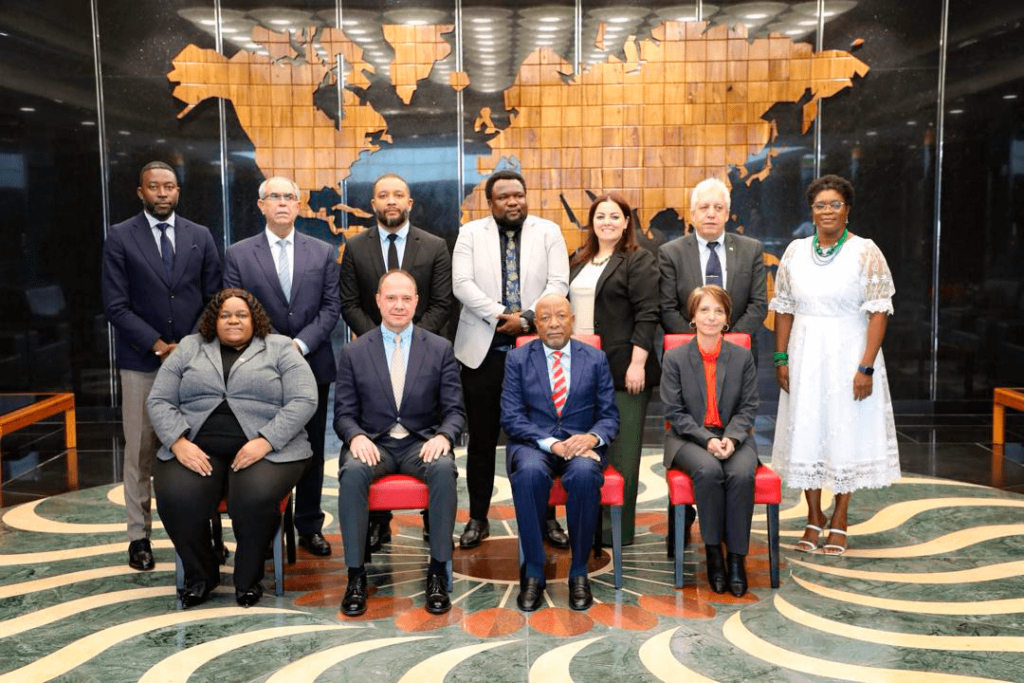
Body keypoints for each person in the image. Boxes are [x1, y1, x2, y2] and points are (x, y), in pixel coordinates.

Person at [147, 289, 317, 607]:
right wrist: (178, 442)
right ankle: (202, 574)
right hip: (196, 446)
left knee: (252, 497)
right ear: (214, 319)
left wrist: (266, 440)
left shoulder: (280, 347)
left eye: (241, 314)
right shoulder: (189, 347)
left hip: (269, 449)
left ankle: (248, 579)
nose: (233, 320)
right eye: (225, 315)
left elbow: (305, 398)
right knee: (176, 497)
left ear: (255, 319)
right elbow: (158, 399)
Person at [771, 174, 900, 556]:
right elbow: (783, 309)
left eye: (835, 204)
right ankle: (813, 515)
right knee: (807, 430)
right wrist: (781, 358)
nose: (827, 211)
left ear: (847, 210)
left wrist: (866, 367)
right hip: (805, 354)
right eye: (820, 205)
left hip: (849, 355)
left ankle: (840, 517)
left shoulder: (866, 251)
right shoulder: (795, 252)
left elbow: (879, 312)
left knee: (845, 434)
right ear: (812, 212)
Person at [102, 161, 222, 572]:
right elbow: (115, 305)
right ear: (141, 192)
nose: (162, 193)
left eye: (169, 187)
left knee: (198, 444)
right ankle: (139, 537)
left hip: (193, 361)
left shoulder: (200, 236)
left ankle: (206, 531)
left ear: (178, 191)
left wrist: (186, 345)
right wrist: (156, 345)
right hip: (141, 362)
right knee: (140, 450)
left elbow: (214, 297)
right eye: (153, 187)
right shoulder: (120, 237)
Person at [334, 270, 465, 617]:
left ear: (417, 302)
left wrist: (443, 436)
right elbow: (343, 414)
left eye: (406, 298)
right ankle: (356, 576)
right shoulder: (354, 351)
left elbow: (455, 411)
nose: (398, 305)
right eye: (391, 297)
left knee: (443, 469)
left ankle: (437, 571)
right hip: (373, 444)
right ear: (377, 301)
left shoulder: (439, 349)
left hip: (419, 444)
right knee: (351, 473)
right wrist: (356, 436)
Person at [452, 169, 570, 550]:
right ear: (490, 203)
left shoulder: (548, 231)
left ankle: (547, 518)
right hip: (482, 352)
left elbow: (558, 283)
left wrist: (528, 319)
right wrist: (502, 314)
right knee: (482, 441)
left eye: (518, 194)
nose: (513, 202)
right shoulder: (471, 233)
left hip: (538, 348)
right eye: (503, 197)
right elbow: (462, 284)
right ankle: (478, 518)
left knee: (544, 437)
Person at [224, 176, 341, 558]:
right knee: (263, 443)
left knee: (310, 447)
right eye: (274, 196)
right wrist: (275, 348)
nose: (282, 203)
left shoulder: (323, 252)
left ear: (298, 205)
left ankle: (308, 525)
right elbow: (236, 308)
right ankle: (264, 523)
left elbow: (330, 308)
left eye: (289, 197)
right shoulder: (239, 254)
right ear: (261, 205)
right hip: (258, 368)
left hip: (312, 363)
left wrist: (299, 344)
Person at [339, 172, 453, 551]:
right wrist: (379, 341)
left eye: (398, 195)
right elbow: (350, 302)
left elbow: (441, 301)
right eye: (383, 195)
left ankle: (432, 527)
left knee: (432, 449)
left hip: (422, 348)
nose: (391, 200)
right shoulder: (355, 247)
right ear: (372, 204)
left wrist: (415, 340)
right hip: (375, 348)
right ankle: (375, 525)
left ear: (410, 203)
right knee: (372, 435)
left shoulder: (435, 245)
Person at [658, 177, 766, 547]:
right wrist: (698, 338)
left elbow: (757, 305)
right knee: (699, 459)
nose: (711, 213)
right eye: (704, 207)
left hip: (733, 364)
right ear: (691, 214)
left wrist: (724, 337)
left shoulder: (750, 249)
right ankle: (686, 521)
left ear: (728, 212)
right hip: (687, 363)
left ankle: (729, 551)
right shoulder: (672, 252)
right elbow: (667, 307)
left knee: (735, 469)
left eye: (718, 207)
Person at [501, 294, 619, 611]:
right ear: (535, 324)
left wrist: (593, 438)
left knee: (583, 475)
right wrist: (550, 443)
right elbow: (511, 418)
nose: (554, 323)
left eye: (561, 316)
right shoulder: (517, 360)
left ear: (572, 319)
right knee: (528, 473)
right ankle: (534, 575)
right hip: (534, 445)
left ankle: (579, 573)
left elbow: (610, 416)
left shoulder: (595, 359)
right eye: (546, 317)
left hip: (581, 444)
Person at [568, 193, 660, 546]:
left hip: (624, 370)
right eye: (599, 216)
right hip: (580, 368)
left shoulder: (638, 260)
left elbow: (647, 313)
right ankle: (588, 525)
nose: (606, 221)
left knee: (622, 452)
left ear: (626, 223)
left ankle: (616, 532)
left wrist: (638, 363)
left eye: (614, 216)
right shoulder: (579, 260)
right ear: (591, 223)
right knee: (587, 449)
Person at [661, 285, 759, 596]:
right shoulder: (675, 357)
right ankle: (715, 555)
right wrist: (707, 440)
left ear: (727, 317)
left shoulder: (742, 356)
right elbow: (675, 412)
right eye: (704, 309)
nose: (711, 317)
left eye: (718, 310)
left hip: (734, 437)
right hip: (689, 439)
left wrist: (731, 437)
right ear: (692, 316)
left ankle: (737, 560)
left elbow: (749, 407)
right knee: (708, 471)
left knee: (742, 473)